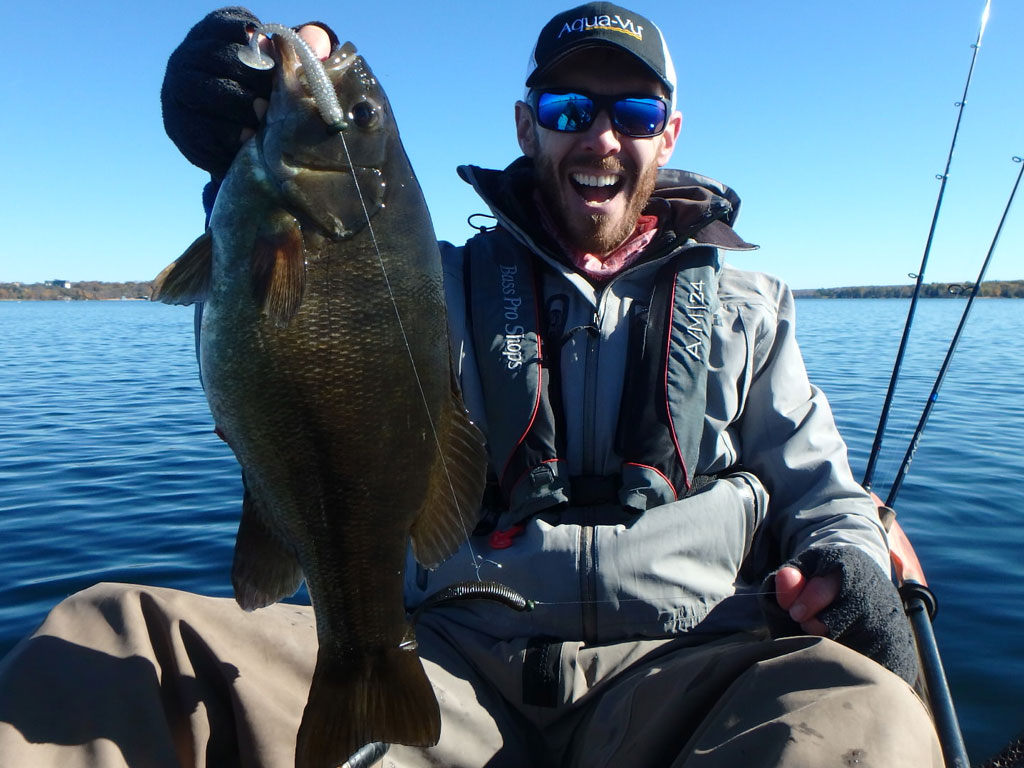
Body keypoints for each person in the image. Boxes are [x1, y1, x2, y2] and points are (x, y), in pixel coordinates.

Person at [0, 4, 942, 766]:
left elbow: (824, 490)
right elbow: (285, 330)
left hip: (695, 669)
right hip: (447, 666)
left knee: (876, 721)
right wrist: (236, 147)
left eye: (635, 114)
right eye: (571, 111)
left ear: (670, 134)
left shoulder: (754, 308)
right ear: (529, 126)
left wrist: (852, 565)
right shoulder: (423, 277)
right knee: (113, 640)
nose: (603, 138)